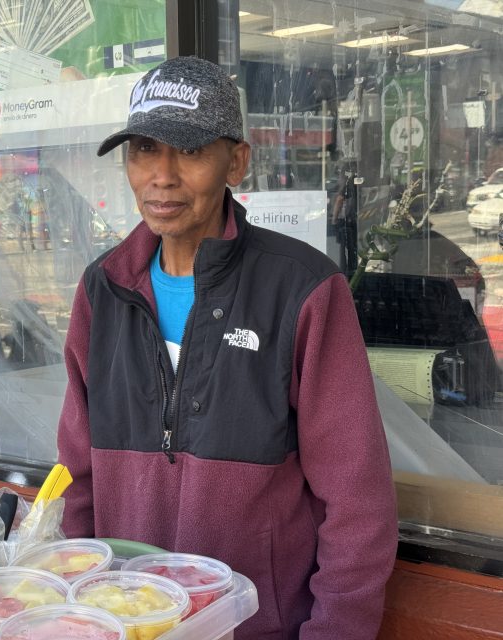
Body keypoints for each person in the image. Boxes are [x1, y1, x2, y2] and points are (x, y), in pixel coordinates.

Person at [56, 56, 397, 640]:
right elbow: (77, 475)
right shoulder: (103, 289)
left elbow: (357, 500)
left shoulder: (302, 290)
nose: (161, 175)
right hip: (123, 624)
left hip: (255, 628)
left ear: (236, 160)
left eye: (188, 151)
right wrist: (72, 607)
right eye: (143, 149)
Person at [332, 161, 360, 273]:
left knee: (345, 248)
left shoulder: (350, 182)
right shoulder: (358, 180)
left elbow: (339, 200)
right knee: (353, 246)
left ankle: (345, 271)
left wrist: (334, 219)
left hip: (348, 220)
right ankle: (352, 268)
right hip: (355, 219)